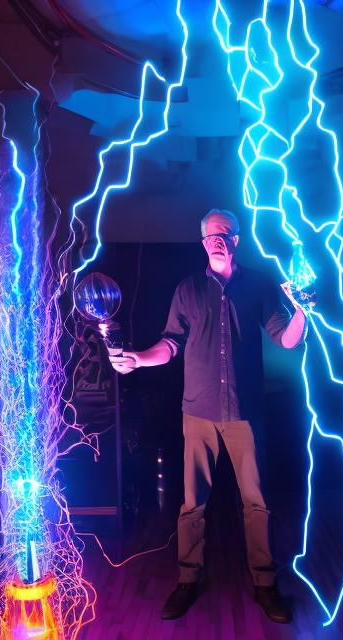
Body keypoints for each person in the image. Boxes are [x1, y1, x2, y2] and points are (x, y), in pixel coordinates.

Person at [108, 209, 307, 624]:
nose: (219, 239)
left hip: (245, 413)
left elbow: (285, 340)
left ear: (237, 241)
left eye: (226, 233)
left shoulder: (258, 285)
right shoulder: (188, 289)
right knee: (192, 503)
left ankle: (265, 584)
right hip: (197, 412)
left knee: (256, 503)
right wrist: (139, 361)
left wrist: (303, 312)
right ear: (202, 242)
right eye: (212, 234)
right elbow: (170, 343)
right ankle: (187, 580)